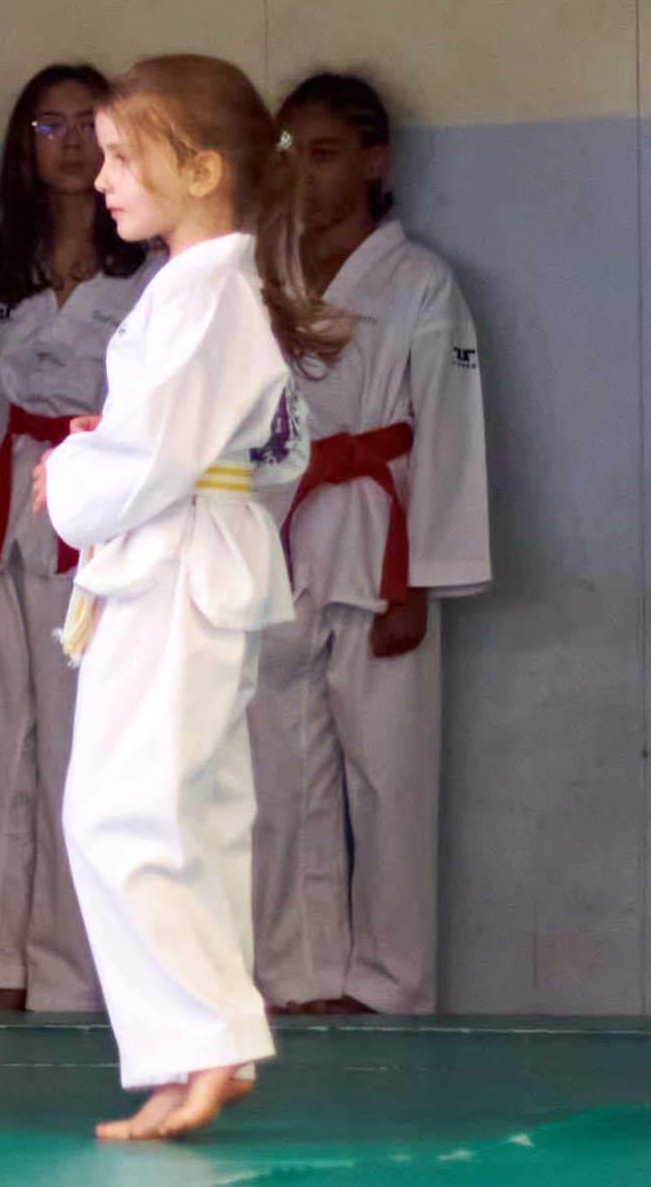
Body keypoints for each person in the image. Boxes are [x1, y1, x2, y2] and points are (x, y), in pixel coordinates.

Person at [31, 54, 342, 1139]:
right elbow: (254, 445)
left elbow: (158, 454)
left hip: (175, 565)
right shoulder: (209, 291)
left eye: (123, 157)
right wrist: (115, 444)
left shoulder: (209, 295)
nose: (100, 177)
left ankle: (202, 1038)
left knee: (127, 810)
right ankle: (203, 1042)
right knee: (184, 811)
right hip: (187, 557)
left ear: (202, 168)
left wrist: (72, 473)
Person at [249, 73, 490, 1018]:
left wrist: (421, 580)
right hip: (276, 532)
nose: (304, 174)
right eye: (288, 155)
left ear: (374, 162)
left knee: (389, 778)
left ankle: (389, 984)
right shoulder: (256, 277)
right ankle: (296, 972)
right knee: (280, 776)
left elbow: (450, 431)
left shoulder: (421, 281)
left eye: (325, 154)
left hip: (380, 541)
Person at [0, 64, 154, 1013]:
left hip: (104, 522)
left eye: (85, 125)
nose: (68, 144)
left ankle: (73, 974)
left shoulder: (149, 270)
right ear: (21, 146)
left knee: (81, 747)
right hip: (8, 514)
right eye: (47, 126)